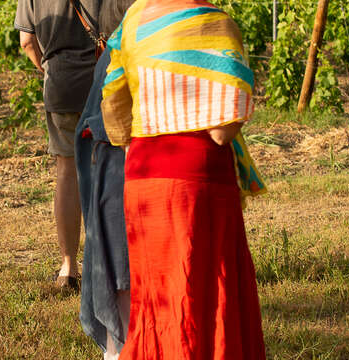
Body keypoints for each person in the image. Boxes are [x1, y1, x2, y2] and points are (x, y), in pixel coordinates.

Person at [101, 0, 268, 358]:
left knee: (156, 298)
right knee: (203, 295)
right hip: (197, 179)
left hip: (143, 176)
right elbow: (223, 130)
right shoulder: (216, 23)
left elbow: (114, 110)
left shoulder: (131, 22)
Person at [15, 0, 101, 289]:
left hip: (60, 81)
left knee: (67, 171)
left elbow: (27, 41)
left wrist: (50, 70)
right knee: (105, 168)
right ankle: (104, 261)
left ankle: (68, 267)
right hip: (103, 80)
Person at [75, 0, 135, 358]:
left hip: (108, 188)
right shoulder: (133, 54)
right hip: (129, 184)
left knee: (117, 284)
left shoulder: (108, 60)